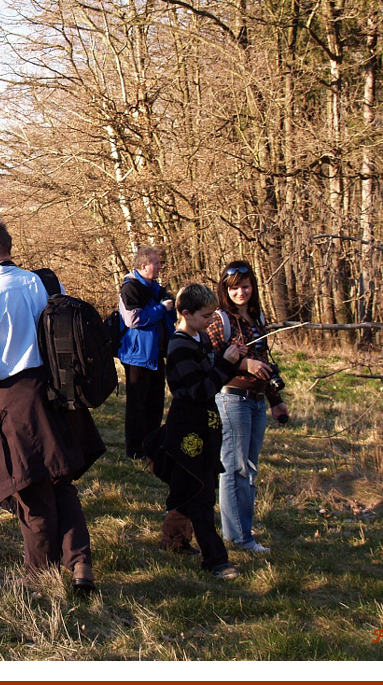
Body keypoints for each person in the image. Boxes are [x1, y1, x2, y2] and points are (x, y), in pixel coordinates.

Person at [0, 220, 105, 594]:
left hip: (14, 400)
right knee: (60, 480)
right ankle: (79, 561)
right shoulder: (40, 282)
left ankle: (39, 578)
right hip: (54, 393)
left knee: (29, 489)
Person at [153, 283, 244, 579]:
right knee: (200, 493)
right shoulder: (179, 346)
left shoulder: (201, 338)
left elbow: (212, 371)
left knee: (190, 487)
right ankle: (216, 560)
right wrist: (225, 367)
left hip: (207, 425)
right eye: (205, 316)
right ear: (186, 314)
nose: (210, 322)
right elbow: (199, 389)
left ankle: (175, 540)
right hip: (188, 427)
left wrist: (230, 359)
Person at [207, 260, 290, 554]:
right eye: (234, 288)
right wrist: (244, 363)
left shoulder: (257, 319)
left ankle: (243, 531)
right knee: (234, 468)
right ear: (225, 290)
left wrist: (276, 402)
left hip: (256, 402)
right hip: (232, 399)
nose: (240, 293)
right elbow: (212, 357)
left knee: (250, 469)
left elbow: (265, 364)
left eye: (245, 286)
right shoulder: (219, 319)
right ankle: (239, 536)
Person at [118, 246, 177, 459]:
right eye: (157, 263)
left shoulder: (155, 288)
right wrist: (161, 309)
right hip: (138, 356)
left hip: (157, 353)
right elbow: (133, 319)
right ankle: (135, 450)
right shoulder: (130, 289)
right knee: (137, 405)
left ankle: (152, 446)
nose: (160, 266)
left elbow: (171, 314)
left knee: (155, 403)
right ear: (144, 266)